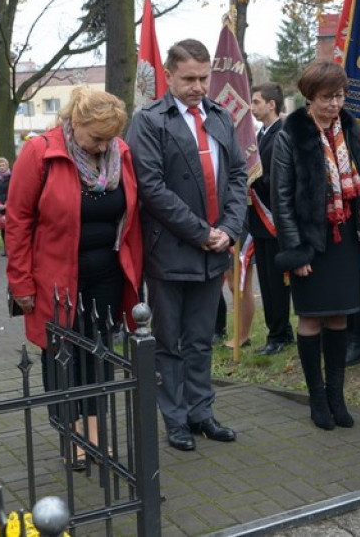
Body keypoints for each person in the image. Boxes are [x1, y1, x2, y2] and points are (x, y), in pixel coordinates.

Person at [7, 87, 143, 468]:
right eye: (97, 138)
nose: (103, 147)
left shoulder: (121, 155)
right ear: (76, 122)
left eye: (109, 138)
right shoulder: (41, 152)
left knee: (98, 353)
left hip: (106, 276)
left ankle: (96, 434)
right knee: (62, 356)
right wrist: (21, 282)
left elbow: (131, 216)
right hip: (55, 278)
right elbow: (18, 221)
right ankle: (73, 435)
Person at [127, 39, 247, 452]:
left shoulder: (220, 117)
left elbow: (237, 178)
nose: (199, 87)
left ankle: (202, 412)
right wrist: (202, 232)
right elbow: (152, 188)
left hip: (215, 249)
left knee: (200, 338)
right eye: (190, 79)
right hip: (171, 250)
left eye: (204, 78)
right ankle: (174, 420)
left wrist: (228, 229)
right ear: (170, 74)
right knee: (169, 341)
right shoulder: (149, 121)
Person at [271, 60, 360, 430]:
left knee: (340, 315)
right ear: (310, 98)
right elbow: (281, 197)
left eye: (338, 96)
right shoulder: (290, 134)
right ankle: (317, 399)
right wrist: (296, 250)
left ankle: (337, 396)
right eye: (326, 97)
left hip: (343, 240)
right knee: (311, 318)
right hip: (310, 241)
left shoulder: (349, 128)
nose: (334, 104)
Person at [247, 83, 293, 356]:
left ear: (271, 105)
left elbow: (276, 179)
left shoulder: (280, 135)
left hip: (274, 220)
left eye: (257, 102)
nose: (253, 107)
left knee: (276, 283)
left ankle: (280, 333)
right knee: (265, 281)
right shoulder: (260, 134)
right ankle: (277, 330)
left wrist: (250, 183)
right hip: (259, 221)